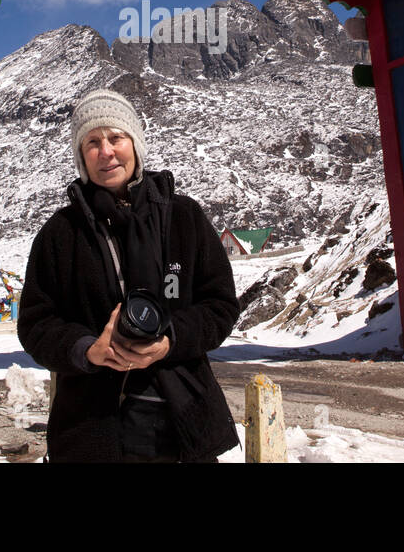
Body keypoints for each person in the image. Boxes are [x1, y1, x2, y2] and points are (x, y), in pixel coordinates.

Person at [17, 88, 240, 462]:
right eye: (92, 142)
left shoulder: (183, 218)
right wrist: (86, 349)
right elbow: (36, 324)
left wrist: (170, 339)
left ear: (134, 143)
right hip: (91, 427)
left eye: (116, 137)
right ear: (81, 156)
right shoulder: (60, 233)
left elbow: (220, 306)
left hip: (180, 422)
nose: (106, 152)